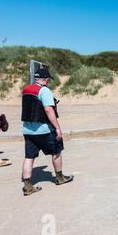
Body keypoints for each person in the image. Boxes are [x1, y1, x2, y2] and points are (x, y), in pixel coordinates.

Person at [21, 68, 73, 196]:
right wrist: (57, 128)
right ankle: (60, 178)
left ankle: (27, 185)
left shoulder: (26, 89)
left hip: (28, 129)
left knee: (29, 157)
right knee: (56, 151)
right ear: (47, 79)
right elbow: (49, 109)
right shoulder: (45, 91)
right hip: (44, 129)